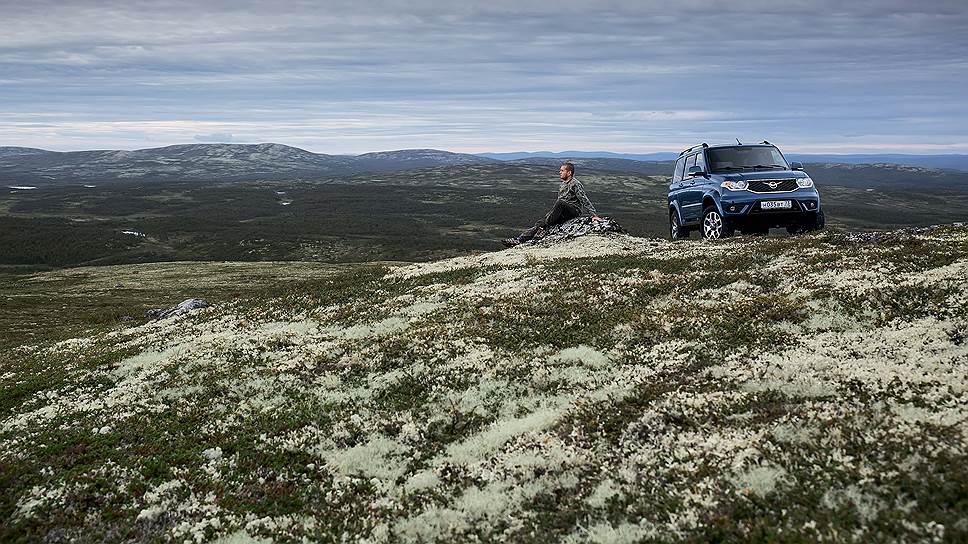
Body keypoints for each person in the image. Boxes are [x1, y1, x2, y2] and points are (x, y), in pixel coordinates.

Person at [502, 162, 601, 247]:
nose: (560, 172)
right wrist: (549, 216)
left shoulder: (575, 184)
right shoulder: (563, 184)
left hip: (573, 211)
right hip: (563, 211)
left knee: (559, 203)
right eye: (560, 170)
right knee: (541, 222)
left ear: (569, 173)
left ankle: (544, 228)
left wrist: (594, 215)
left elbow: (584, 199)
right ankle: (519, 239)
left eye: (562, 170)